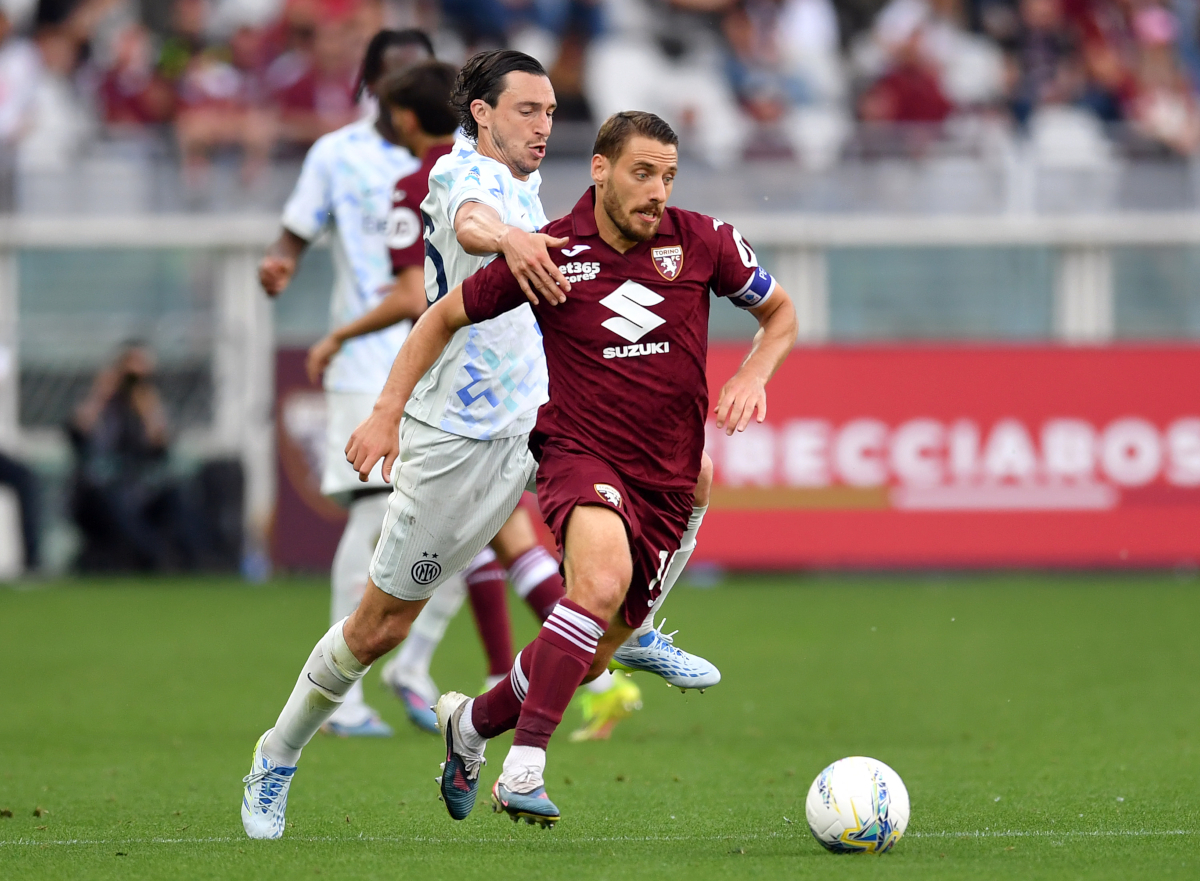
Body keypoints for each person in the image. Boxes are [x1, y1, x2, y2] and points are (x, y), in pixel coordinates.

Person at [239, 52, 717, 840]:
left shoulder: (529, 185)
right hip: (458, 438)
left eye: (552, 111)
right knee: (378, 627)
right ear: (483, 114)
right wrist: (390, 407)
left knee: (682, 484)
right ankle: (278, 752)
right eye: (526, 110)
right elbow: (469, 221)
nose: (542, 126)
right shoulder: (460, 173)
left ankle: (638, 627)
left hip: (547, 418)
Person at [368, 110, 798, 827]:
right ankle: (525, 767)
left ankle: (470, 725)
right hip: (580, 453)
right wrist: (386, 410)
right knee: (597, 583)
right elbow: (439, 318)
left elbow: (779, 314)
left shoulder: (705, 241)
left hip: (665, 478)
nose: (657, 190)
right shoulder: (552, 253)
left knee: (588, 656)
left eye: (668, 175)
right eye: (641, 172)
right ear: (599, 169)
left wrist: (754, 374)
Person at [257, 28, 434, 739]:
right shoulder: (337, 154)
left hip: (444, 361)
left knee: (467, 528)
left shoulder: (458, 160)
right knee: (373, 512)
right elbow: (295, 232)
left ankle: (408, 663)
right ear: (371, 82)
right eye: (392, 73)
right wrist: (281, 263)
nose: (402, 88)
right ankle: (342, 694)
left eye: (415, 73)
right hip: (367, 362)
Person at [68, 342, 199, 572]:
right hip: (101, 493)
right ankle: (157, 557)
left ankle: (196, 560)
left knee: (176, 495)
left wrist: (148, 409)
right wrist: (101, 394)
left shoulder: (148, 405)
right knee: (110, 499)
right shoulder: (101, 405)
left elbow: (161, 449)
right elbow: (78, 434)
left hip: (140, 490)